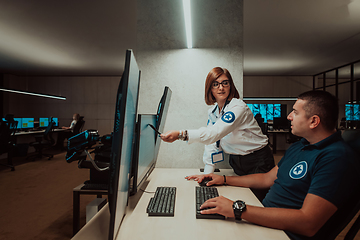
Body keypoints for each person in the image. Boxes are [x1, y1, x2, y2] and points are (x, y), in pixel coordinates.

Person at [185, 90, 360, 240]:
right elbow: (267, 178)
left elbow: (308, 223)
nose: (288, 116)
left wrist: (237, 209)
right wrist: (223, 179)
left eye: (295, 112)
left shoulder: (336, 158)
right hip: (267, 221)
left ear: (314, 121)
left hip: (284, 234)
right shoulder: (301, 145)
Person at [161, 67, 274, 176]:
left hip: (258, 160)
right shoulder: (213, 112)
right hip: (236, 161)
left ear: (230, 86)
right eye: (215, 84)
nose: (221, 88)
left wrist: (180, 135)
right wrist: (207, 174)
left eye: (225, 83)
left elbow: (213, 134)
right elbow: (212, 143)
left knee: (255, 196)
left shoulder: (238, 107)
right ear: (210, 89)